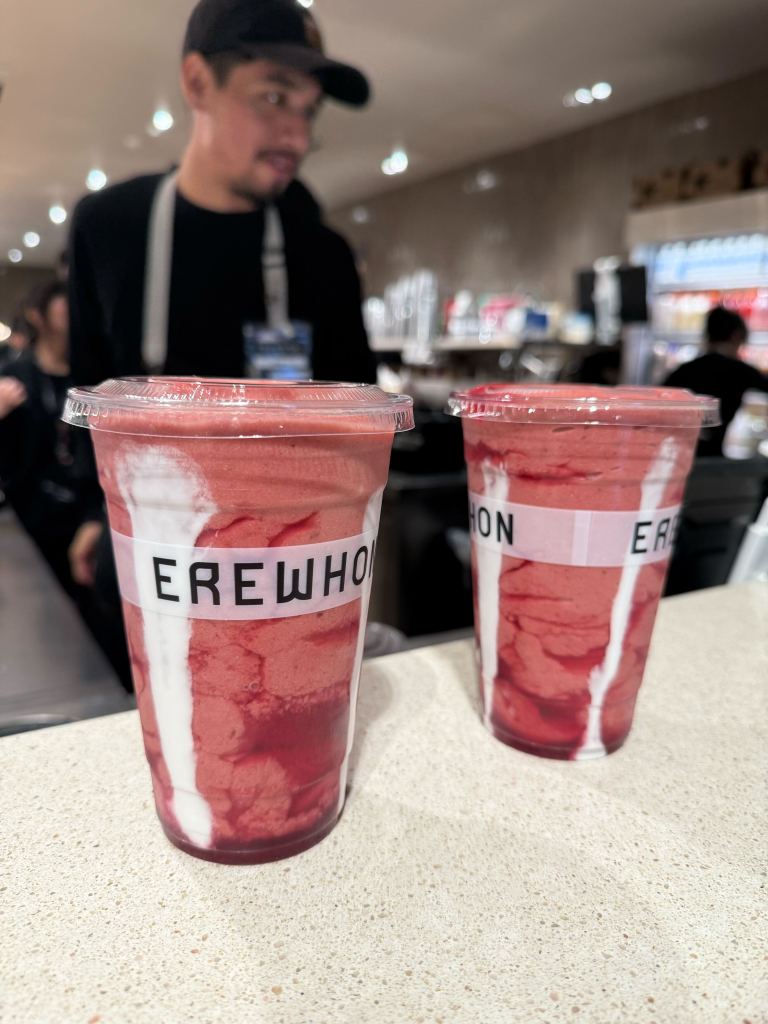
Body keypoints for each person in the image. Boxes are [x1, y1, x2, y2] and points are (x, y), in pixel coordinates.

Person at [66, 0, 376, 685]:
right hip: (150, 550)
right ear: (198, 81)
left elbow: (359, 418)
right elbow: (89, 385)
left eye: (309, 111)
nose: (294, 134)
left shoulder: (319, 253)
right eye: (273, 96)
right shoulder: (109, 227)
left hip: (285, 560)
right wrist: (93, 511)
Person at [0, 282, 91, 608]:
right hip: (32, 512)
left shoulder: (88, 375)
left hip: (82, 509)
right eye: (62, 306)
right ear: (39, 316)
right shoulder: (15, 375)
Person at [663, 306, 768, 455]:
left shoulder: (685, 369)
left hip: (676, 454)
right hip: (713, 454)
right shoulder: (740, 370)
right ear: (736, 336)